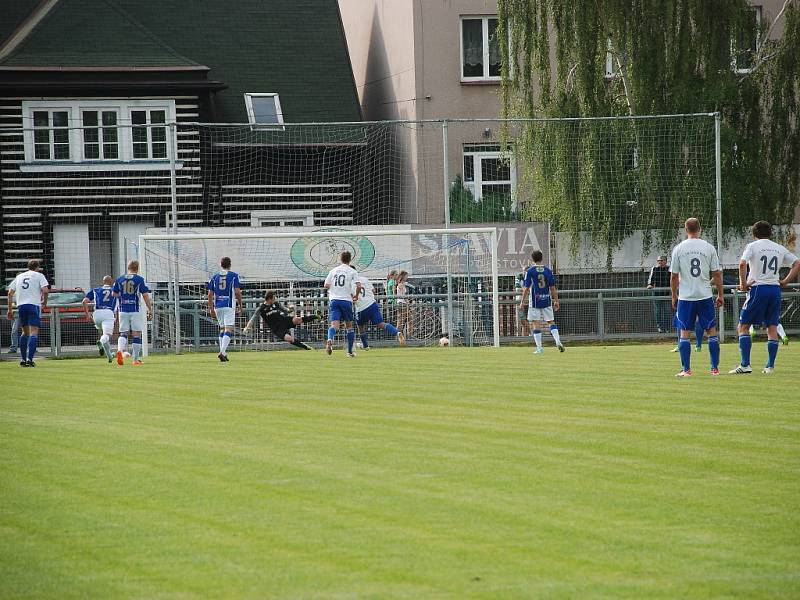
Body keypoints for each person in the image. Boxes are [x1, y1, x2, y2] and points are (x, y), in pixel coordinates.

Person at [729, 221, 800, 374]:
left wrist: (743, 284)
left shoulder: (752, 246)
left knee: (743, 326)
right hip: (774, 290)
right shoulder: (779, 248)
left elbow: (742, 264)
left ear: (754, 234)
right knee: (772, 327)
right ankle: (769, 366)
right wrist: (786, 281)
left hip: (758, 289)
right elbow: (797, 263)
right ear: (770, 233)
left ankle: (745, 365)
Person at [669, 218, 724, 377]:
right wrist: (720, 294)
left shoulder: (679, 248)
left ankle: (686, 370)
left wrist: (674, 295)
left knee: (685, 332)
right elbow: (717, 274)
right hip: (705, 295)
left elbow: (674, 276)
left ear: (685, 230)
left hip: (686, 297)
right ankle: (714, 369)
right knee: (711, 331)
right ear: (700, 228)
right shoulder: (708, 247)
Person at [518, 250, 564, 354]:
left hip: (535, 301)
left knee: (535, 323)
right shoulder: (547, 270)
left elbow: (526, 288)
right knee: (551, 321)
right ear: (541, 258)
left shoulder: (530, 271)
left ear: (532, 259)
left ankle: (539, 348)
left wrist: (522, 302)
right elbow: (552, 288)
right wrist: (556, 301)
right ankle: (557, 341)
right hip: (546, 300)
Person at [6, 259, 49, 367]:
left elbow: (10, 293)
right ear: (37, 267)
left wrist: (10, 309)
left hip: (21, 306)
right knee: (34, 332)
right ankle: (30, 359)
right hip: (34, 305)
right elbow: (45, 290)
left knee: (25, 333)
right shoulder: (39, 275)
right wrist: (45, 301)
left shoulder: (20, 276)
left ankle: (23, 359)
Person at [243, 291, 320, 349]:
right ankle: (307, 348)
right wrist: (247, 327)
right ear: (269, 299)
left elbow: (286, 311)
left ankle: (317, 316)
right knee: (290, 339)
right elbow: (253, 318)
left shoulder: (276, 304)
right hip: (276, 328)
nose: (275, 299)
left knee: (297, 319)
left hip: (283, 320)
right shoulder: (261, 308)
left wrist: (291, 309)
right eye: (274, 298)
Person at [352, 266, 406, 349]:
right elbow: (373, 291)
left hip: (361, 307)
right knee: (381, 324)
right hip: (372, 304)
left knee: (360, 326)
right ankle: (397, 333)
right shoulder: (364, 279)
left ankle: (365, 345)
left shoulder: (350, 283)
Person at [112, 260, 153, 366]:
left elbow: (114, 293)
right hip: (135, 310)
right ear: (137, 268)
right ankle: (135, 359)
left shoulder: (119, 279)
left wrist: (123, 297)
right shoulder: (139, 279)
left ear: (128, 267)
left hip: (123, 310)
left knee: (123, 333)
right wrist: (150, 308)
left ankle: (120, 351)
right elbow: (145, 295)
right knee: (137, 334)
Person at [324, 251, 362, 357]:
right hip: (346, 300)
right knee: (349, 327)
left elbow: (326, 285)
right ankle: (349, 352)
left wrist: (334, 289)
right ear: (350, 260)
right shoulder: (352, 271)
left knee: (334, 326)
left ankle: (330, 339)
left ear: (340, 259)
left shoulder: (333, 270)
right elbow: (359, 286)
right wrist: (356, 296)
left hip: (334, 300)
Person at [207, 257, 243, 362]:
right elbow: (237, 292)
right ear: (230, 265)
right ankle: (222, 352)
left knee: (222, 329)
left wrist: (211, 309)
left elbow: (210, 294)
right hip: (228, 305)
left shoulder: (214, 277)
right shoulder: (234, 276)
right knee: (229, 329)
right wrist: (240, 305)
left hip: (218, 306)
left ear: (220, 264)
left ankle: (224, 353)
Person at [82, 275, 118, 363]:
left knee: (104, 335)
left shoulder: (95, 290)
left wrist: (87, 314)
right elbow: (119, 305)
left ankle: (109, 356)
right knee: (106, 336)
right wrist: (116, 317)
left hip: (97, 314)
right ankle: (100, 343)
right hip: (108, 313)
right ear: (111, 282)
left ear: (103, 282)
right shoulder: (115, 291)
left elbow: (84, 301)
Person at [647, 255, 671, 333]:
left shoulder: (669, 269)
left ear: (665, 261)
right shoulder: (654, 269)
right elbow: (651, 279)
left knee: (667, 311)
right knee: (657, 311)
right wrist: (650, 284)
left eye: (661, 260)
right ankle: (659, 327)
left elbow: (673, 279)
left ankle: (667, 328)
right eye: (658, 261)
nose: (659, 262)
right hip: (656, 293)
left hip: (667, 293)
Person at [395, 270, 412, 337]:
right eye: (406, 276)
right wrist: (407, 302)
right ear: (403, 276)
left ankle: (408, 334)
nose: (407, 277)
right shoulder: (400, 285)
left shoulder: (402, 284)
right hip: (402, 304)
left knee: (409, 319)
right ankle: (398, 335)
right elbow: (403, 295)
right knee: (401, 321)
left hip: (403, 303)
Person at [515, 272, 530, 336]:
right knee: (522, 320)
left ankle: (527, 336)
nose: (525, 272)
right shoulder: (519, 276)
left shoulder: (531, 277)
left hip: (529, 302)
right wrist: (526, 289)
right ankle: (530, 333)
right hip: (520, 301)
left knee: (528, 320)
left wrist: (526, 289)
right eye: (525, 271)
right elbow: (518, 289)